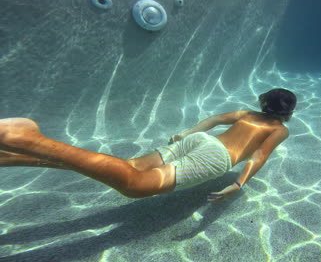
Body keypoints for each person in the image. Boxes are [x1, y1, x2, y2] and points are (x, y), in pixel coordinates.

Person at [0, 88, 296, 201]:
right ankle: (29, 140)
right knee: (133, 186)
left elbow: (216, 119)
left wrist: (184, 134)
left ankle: (18, 156)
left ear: (263, 103)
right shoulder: (279, 131)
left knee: (127, 168)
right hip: (214, 158)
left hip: (200, 141)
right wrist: (240, 183)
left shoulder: (247, 114)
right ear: (287, 113)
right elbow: (259, 155)